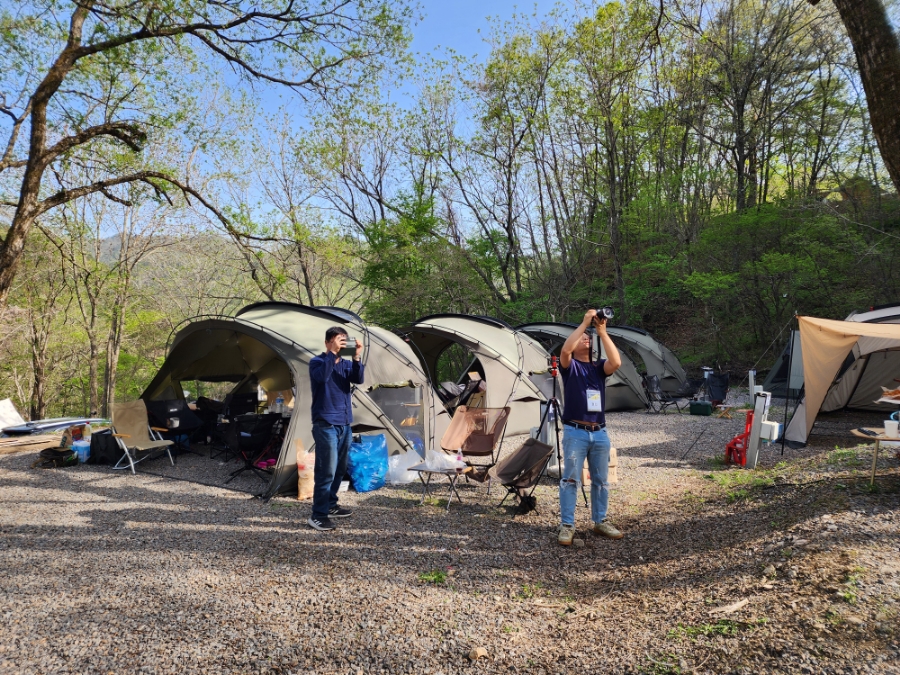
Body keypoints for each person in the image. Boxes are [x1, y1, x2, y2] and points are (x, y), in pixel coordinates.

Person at [557, 309, 623, 546]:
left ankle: (600, 521)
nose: (586, 337)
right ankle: (567, 525)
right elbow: (565, 350)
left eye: (588, 336)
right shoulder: (569, 367)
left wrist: (602, 332)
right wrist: (584, 322)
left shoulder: (598, 368)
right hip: (575, 431)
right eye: (582, 336)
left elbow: (616, 362)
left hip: (600, 432)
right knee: (571, 480)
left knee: (601, 481)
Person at [307, 326, 364, 531]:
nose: (342, 344)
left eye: (345, 341)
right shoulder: (317, 362)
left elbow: (359, 379)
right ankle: (318, 515)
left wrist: (356, 358)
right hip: (325, 424)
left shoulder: (346, 364)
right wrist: (332, 354)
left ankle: (330, 505)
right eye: (338, 340)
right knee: (326, 471)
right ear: (327, 342)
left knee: (340, 469)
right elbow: (322, 377)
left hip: (345, 424)